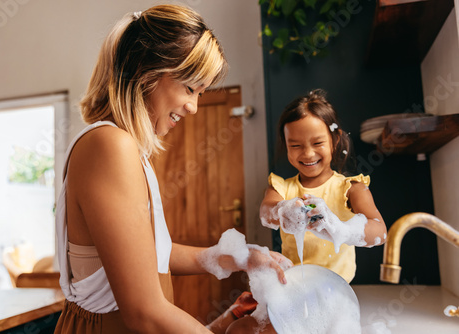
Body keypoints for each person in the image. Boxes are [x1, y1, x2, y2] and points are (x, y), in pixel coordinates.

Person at [54, 4, 290, 334]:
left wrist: (238, 257)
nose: (193, 106)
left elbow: (146, 254)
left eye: (201, 92)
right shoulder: (110, 147)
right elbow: (144, 313)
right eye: (189, 88)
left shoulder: (122, 147)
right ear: (145, 70)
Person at [224, 89, 388, 333]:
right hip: (291, 289)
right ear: (286, 146)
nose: (308, 153)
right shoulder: (282, 187)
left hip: (333, 296)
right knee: (238, 330)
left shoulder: (352, 189)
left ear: (335, 140)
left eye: (318, 143)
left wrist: (340, 229)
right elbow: (266, 212)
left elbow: (379, 231)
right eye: (296, 145)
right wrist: (282, 210)